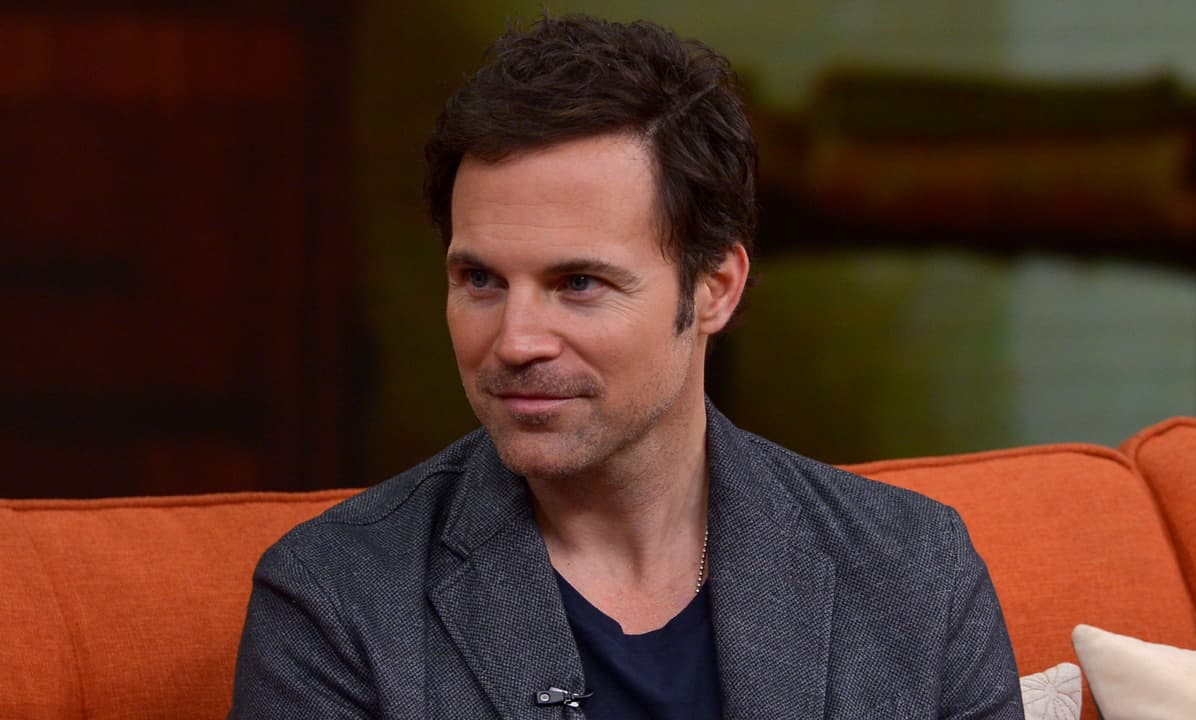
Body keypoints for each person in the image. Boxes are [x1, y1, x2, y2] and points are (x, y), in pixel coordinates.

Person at [230, 14, 1023, 719]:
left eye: (578, 283)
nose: (515, 341)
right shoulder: (334, 600)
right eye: (480, 280)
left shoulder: (915, 572)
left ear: (714, 289)